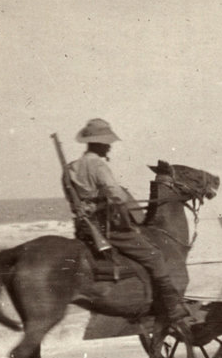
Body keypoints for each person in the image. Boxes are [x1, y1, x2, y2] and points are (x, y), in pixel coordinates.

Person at [65, 118, 190, 323]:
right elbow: (117, 196)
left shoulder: (70, 168)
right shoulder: (98, 166)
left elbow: (74, 200)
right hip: (108, 229)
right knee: (154, 255)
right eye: (107, 144)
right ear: (100, 144)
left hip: (84, 229)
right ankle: (172, 306)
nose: (109, 148)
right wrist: (117, 197)